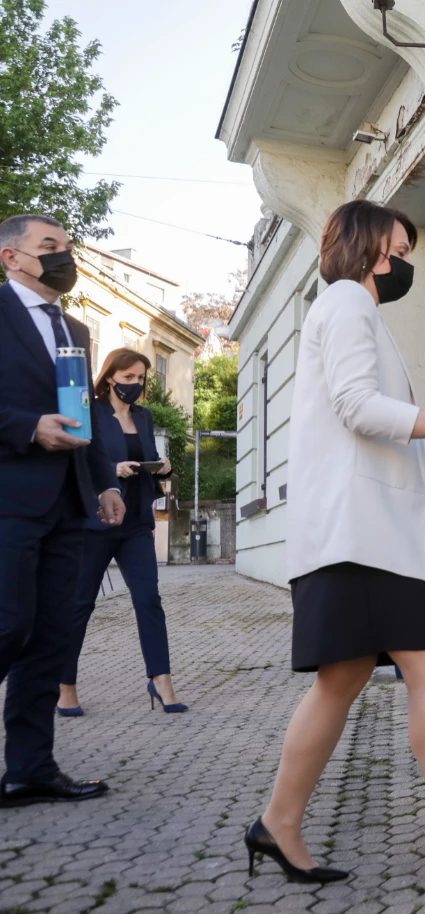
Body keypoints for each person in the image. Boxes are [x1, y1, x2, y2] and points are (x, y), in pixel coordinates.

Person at [246, 199, 425, 889]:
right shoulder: (347, 301)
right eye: (400, 247)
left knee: (340, 682)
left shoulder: (345, 309)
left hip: (356, 534)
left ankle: (278, 825)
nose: (406, 260)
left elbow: (359, 431)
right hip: (363, 538)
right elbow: (357, 405)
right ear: (371, 246)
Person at [0, 213, 126, 807]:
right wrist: (28, 428)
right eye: (48, 247)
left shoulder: (74, 326)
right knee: (9, 625)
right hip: (9, 499)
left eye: (66, 248)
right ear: (11, 257)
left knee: (49, 639)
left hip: (68, 503)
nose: (62, 257)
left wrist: (104, 483)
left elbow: (84, 415)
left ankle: (31, 769)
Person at [58, 348, 183, 717]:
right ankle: (65, 685)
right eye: (128, 377)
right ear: (110, 376)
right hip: (95, 523)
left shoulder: (144, 417)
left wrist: (162, 468)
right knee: (80, 605)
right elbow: (80, 462)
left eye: (141, 378)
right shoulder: (90, 412)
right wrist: (115, 469)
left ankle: (160, 680)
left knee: (149, 600)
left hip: (136, 526)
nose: (136, 384)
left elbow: (152, 458)